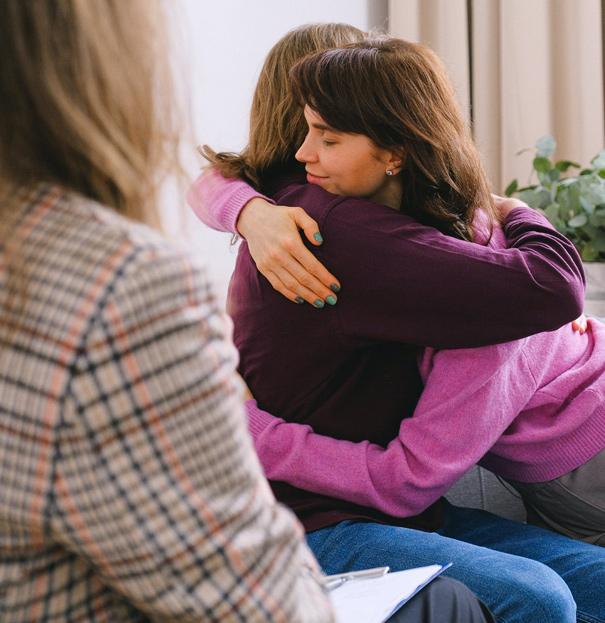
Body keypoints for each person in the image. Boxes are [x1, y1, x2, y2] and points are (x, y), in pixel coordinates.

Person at [0, 5, 495, 623]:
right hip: (333, 520)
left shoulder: (286, 214)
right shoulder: (129, 280)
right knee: (474, 600)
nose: (312, 149)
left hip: (351, 512)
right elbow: (242, 589)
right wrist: (517, 214)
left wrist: (241, 206)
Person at [188, 29, 605, 623]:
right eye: (312, 130)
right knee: (537, 597)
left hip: (400, 511)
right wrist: (245, 426)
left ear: (395, 148)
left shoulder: (313, 212)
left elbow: (215, 179)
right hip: (315, 520)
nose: (309, 152)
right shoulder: (335, 228)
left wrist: (243, 208)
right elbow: (555, 286)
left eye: (328, 135)